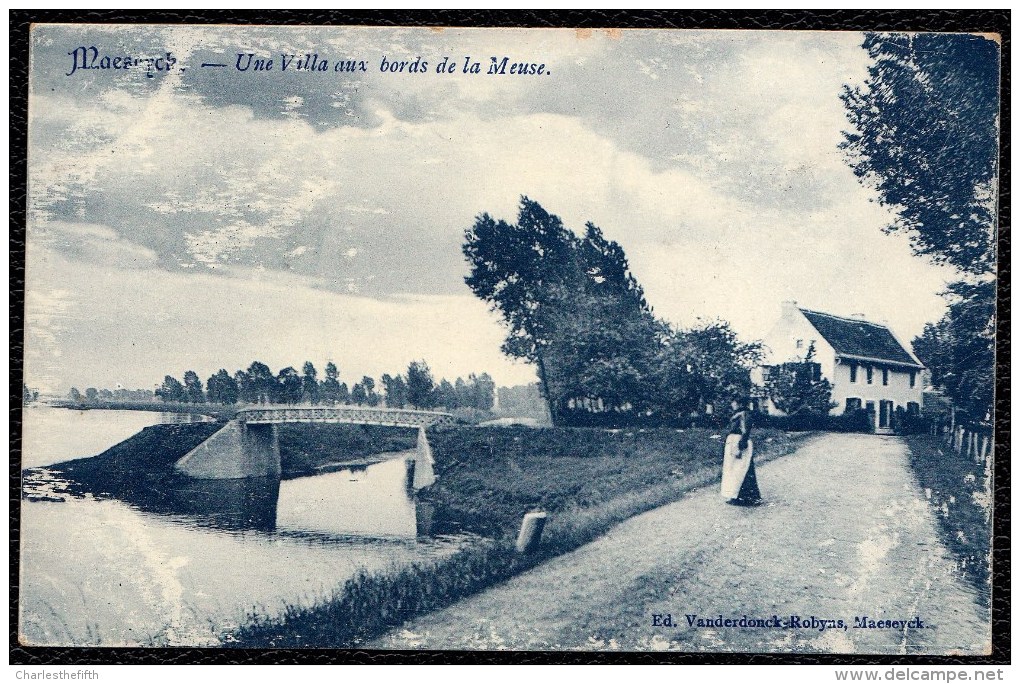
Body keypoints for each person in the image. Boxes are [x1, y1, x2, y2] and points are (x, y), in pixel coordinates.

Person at [720, 399, 762, 506]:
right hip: (734, 442)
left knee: (742, 469)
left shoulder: (744, 414)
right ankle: (738, 495)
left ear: (739, 403)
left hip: (739, 442)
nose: (732, 404)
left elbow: (745, 430)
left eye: (734, 402)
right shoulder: (739, 414)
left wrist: (741, 444)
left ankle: (747, 497)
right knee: (736, 470)